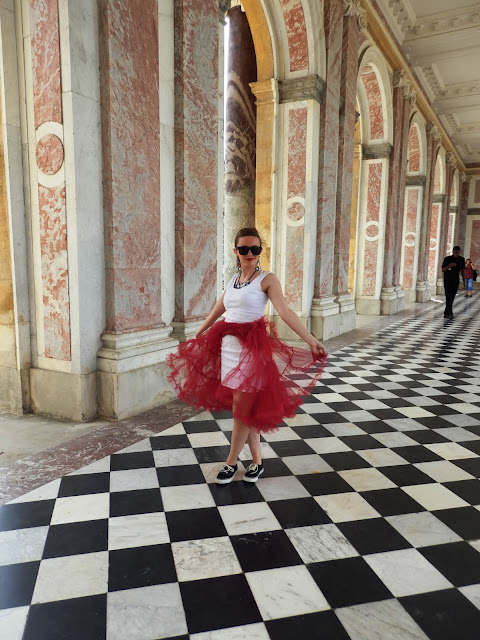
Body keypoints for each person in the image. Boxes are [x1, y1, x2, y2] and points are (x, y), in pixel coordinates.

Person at [168, 227, 327, 484]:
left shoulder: (267, 279)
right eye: (244, 249)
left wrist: (311, 340)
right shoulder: (232, 281)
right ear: (236, 252)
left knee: (241, 406)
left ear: (260, 251)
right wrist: (198, 332)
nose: (250, 254)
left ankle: (231, 462)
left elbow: (286, 312)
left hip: (253, 352)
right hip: (229, 350)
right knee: (243, 407)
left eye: (255, 249)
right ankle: (257, 462)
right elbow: (219, 309)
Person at [441, 246, 465, 319]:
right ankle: (449, 313)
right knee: (448, 296)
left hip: (455, 280)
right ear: (453, 251)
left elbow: (462, 271)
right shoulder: (447, 259)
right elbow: (443, 270)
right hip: (447, 280)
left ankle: (446, 313)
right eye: (455, 252)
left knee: (452, 296)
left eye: (457, 253)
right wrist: (449, 266)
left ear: (459, 252)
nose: (456, 254)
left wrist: (464, 281)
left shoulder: (461, 259)